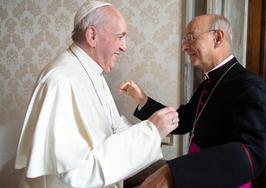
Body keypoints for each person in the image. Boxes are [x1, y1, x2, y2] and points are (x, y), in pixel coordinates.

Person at [14, 1, 179, 188]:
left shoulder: (92, 71)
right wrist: (150, 133)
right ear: (92, 35)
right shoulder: (63, 81)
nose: (124, 46)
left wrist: (154, 132)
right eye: (120, 36)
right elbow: (78, 174)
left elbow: (112, 130)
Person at [119, 14, 266, 188]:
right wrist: (142, 99)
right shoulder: (208, 83)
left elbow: (252, 153)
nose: (184, 46)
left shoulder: (250, 85)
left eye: (191, 37)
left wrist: (173, 173)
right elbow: (182, 120)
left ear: (218, 37)